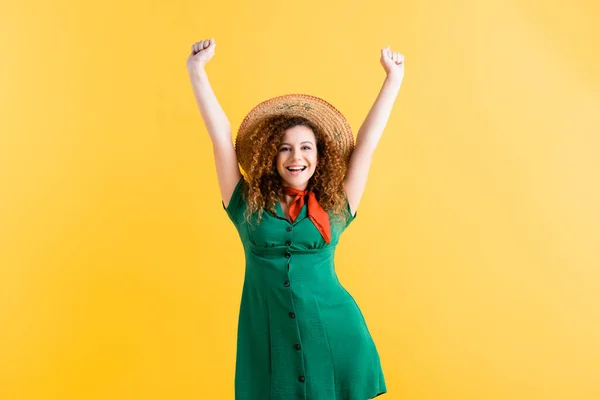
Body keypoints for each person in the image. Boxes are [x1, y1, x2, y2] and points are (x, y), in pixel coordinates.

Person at [187, 37, 404, 400]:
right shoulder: (246, 205)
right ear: (272, 156)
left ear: (320, 156)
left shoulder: (336, 205)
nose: (295, 156)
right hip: (269, 343)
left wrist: (393, 79)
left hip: (333, 333)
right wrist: (196, 72)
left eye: (306, 147)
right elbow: (220, 138)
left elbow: (367, 143)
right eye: (284, 148)